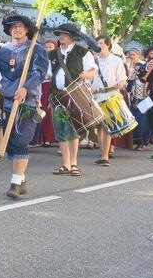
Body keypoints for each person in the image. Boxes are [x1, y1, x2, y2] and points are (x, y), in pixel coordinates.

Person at [0, 14, 48, 199]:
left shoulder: (36, 50)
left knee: (21, 141)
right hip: (7, 102)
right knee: (10, 144)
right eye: (13, 27)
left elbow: (40, 73)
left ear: (27, 29)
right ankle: (20, 180)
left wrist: (25, 88)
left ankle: (14, 184)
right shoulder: (2, 51)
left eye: (20, 26)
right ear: (9, 30)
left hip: (27, 103)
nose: (16, 29)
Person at [48, 24, 97, 177]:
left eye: (64, 34)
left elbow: (93, 71)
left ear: (72, 37)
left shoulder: (83, 52)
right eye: (60, 33)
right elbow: (48, 73)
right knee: (61, 130)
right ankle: (66, 164)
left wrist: (85, 76)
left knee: (73, 131)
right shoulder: (52, 54)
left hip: (75, 96)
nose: (61, 36)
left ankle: (74, 163)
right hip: (58, 97)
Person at [92, 36, 128, 166]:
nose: (99, 45)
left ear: (108, 45)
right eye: (97, 43)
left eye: (101, 43)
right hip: (95, 96)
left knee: (107, 126)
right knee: (99, 127)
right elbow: (88, 79)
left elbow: (122, 78)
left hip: (110, 95)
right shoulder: (93, 61)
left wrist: (121, 84)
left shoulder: (116, 60)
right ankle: (103, 152)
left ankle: (105, 156)